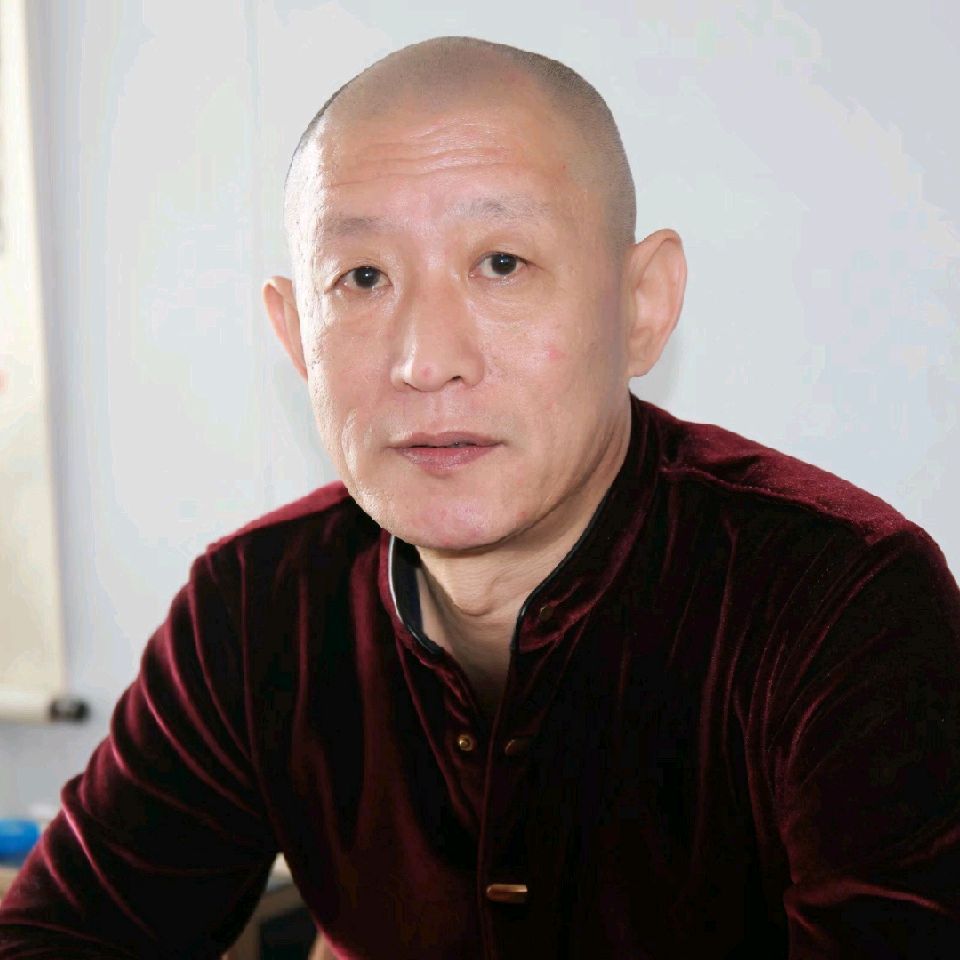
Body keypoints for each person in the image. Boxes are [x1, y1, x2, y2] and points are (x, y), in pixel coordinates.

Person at [1, 35, 959, 959]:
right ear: (296, 338)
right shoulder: (258, 605)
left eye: (501, 264)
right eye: (363, 277)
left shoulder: (841, 603)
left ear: (642, 306)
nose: (428, 361)